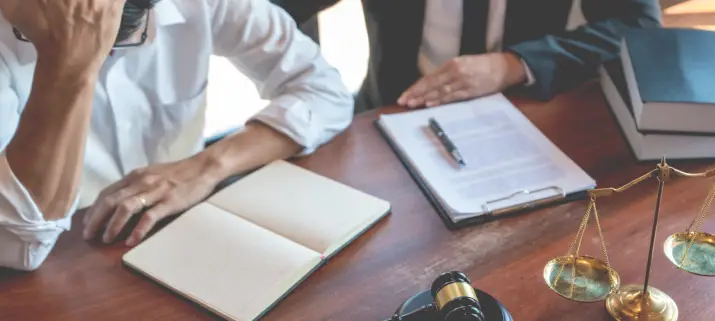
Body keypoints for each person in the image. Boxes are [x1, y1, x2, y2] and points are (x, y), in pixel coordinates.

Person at [0, 0, 353, 271]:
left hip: (179, 233)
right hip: (58, 261)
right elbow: (19, 246)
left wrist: (208, 166)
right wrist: (69, 64)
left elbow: (324, 91)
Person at [273, 0, 662, 112]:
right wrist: (305, 92)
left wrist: (512, 64)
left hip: (523, 109)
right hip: (391, 111)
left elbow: (639, 23)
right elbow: (270, 10)